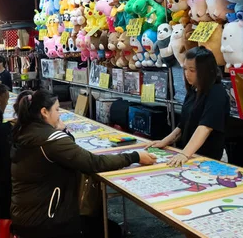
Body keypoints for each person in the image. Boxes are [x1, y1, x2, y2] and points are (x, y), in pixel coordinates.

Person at [10, 90, 156, 238]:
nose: (59, 114)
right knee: (109, 231)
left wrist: (62, 130)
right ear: (44, 112)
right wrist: (135, 156)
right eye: (56, 109)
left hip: (25, 215)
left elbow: (71, 155)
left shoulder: (24, 130)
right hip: (47, 221)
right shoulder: (51, 139)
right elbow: (94, 162)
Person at [148, 46, 230, 166]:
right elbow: (183, 125)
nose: (187, 74)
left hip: (210, 158)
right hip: (193, 155)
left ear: (206, 71)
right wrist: (164, 142)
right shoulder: (193, 90)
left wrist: (185, 154)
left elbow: (205, 127)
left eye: (192, 70)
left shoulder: (217, 93)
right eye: (185, 69)